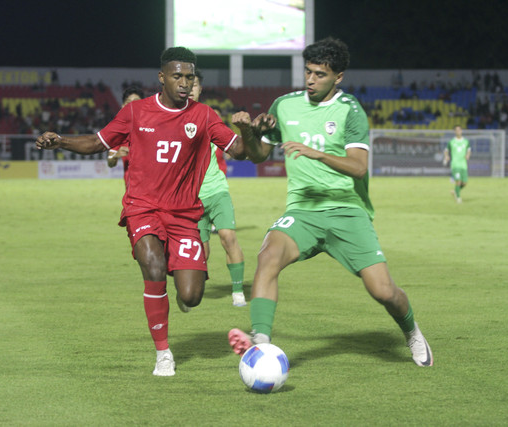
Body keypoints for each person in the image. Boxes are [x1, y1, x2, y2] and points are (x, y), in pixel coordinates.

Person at [36, 47, 252, 376]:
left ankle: (176, 273)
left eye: (189, 77)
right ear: (162, 78)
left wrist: (250, 131)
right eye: (177, 76)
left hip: (183, 215)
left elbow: (239, 149)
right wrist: (61, 142)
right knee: (152, 267)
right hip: (143, 208)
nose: (183, 82)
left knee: (191, 297)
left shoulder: (204, 116)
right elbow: (98, 142)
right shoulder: (136, 112)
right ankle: (163, 353)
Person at [229, 37, 433, 367]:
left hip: (346, 210)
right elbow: (257, 156)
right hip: (302, 211)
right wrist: (248, 132)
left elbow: (358, 166)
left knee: (383, 291)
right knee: (268, 255)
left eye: (320, 74)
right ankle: (261, 343)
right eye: (308, 72)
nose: (311, 80)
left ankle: (411, 331)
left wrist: (318, 153)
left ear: (338, 77)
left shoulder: (350, 111)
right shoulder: (285, 105)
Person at [189, 69, 246, 307]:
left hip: (216, 189)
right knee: (201, 250)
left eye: (193, 85)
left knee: (227, 236)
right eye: (184, 82)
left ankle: (238, 291)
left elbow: (231, 144)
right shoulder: (170, 118)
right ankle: (194, 290)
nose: (188, 88)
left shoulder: (208, 115)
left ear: (200, 89)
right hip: (191, 197)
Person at [107, 86, 145, 170]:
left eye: (136, 102)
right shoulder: (119, 132)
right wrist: (116, 155)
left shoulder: (154, 127)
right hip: (132, 183)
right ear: (123, 106)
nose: (132, 106)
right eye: (128, 103)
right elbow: (110, 163)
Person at [443, 125, 471, 203]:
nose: (458, 131)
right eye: (456, 130)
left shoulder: (466, 141)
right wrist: (446, 156)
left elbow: (469, 150)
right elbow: (446, 150)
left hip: (463, 165)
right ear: (455, 132)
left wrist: (468, 155)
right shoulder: (451, 142)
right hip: (455, 164)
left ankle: (456, 191)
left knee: (464, 183)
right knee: (458, 181)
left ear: (461, 131)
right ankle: (458, 198)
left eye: (459, 130)